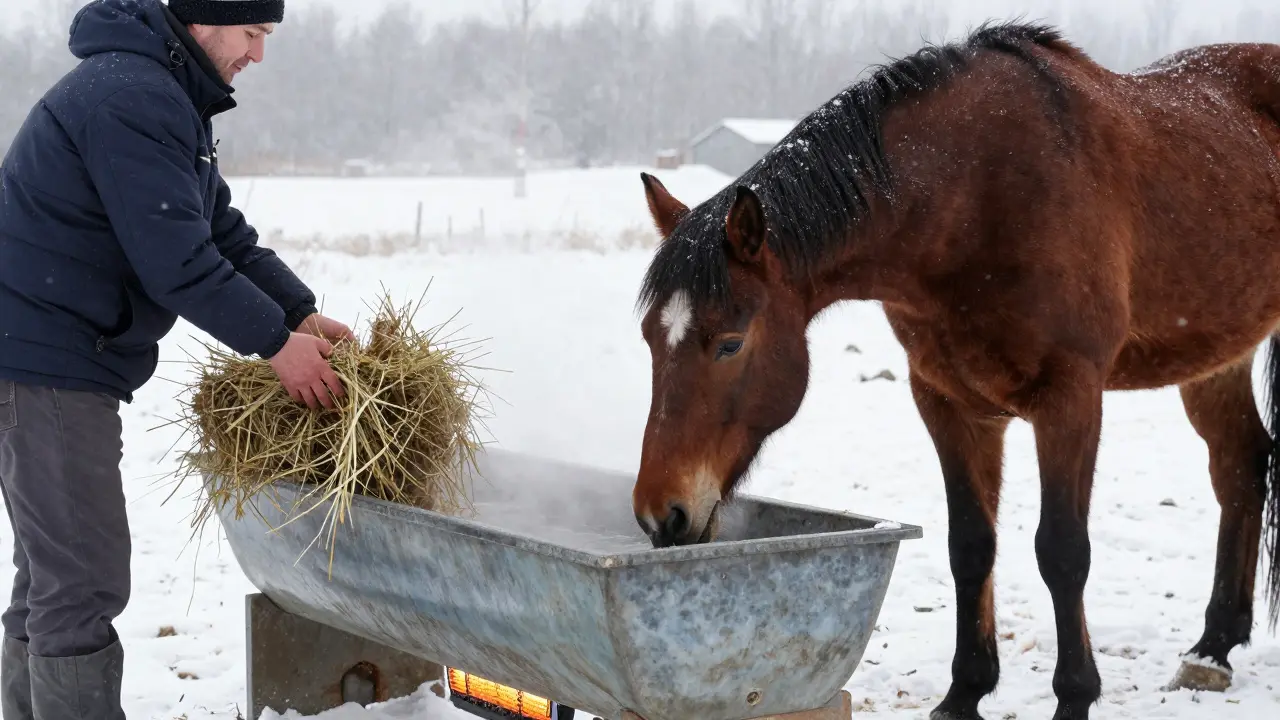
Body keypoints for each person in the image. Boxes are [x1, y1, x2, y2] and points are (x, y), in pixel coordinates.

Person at [0, 0, 353, 716]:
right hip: (46, 362)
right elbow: (178, 261)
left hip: (42, 353)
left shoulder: (155, 92)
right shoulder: (133, 97)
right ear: (206, 21)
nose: (258, 55)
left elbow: (220, 231)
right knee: (83, 580)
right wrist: (279, 348)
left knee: (52, 577)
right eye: (254, 34)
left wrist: (298, 311)